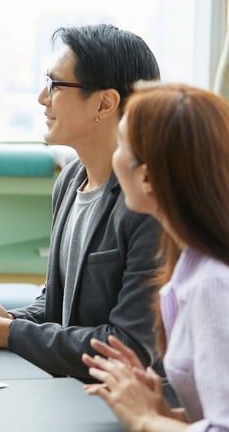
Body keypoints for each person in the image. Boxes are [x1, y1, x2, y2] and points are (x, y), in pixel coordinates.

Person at [0, 24, 162, 379]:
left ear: (104, 103)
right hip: (72, 391)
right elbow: (57, 304)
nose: (41, 98)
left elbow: (131, 348)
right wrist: (7, 318)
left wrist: (5, 332)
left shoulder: (148, 202)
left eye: (55, 85)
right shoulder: (70, 180)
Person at [82, 84, 229, 431]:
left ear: (146, 176)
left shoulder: (213, 284)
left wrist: (145, 420)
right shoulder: (190, 261)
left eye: (120, 144)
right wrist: (164, 412)